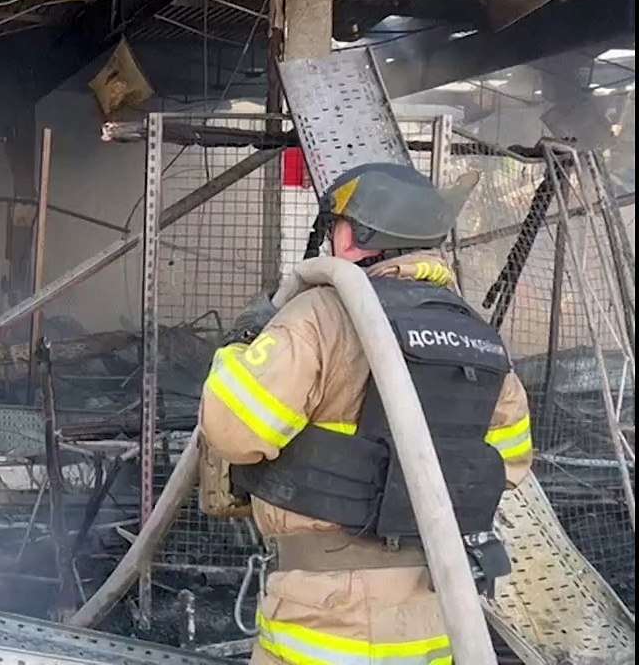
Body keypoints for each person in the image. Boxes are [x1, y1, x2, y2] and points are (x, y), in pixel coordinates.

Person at [200, 163, 534, 665]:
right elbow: (510, 462)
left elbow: (233, 430)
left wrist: (240, 346)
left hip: (329, 615)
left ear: (353, 232)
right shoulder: (477, 337)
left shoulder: (323, 315)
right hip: (436, 606)